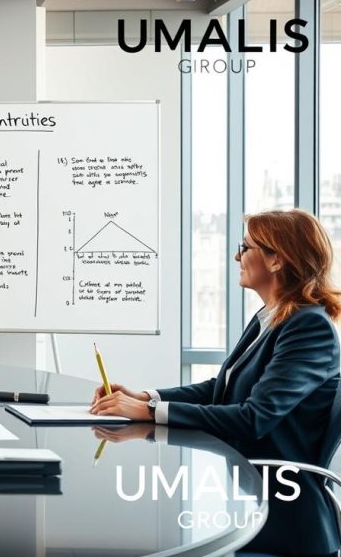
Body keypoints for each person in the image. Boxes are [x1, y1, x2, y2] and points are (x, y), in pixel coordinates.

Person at [90, 209, 341, 556]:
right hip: (252, 502)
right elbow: (220, 389)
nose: (237, 255)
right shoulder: (270, 318)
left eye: (246, 247)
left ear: (276, 260)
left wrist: (150, 412)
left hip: (285, 523)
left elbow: (254, 417)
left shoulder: (308, 328)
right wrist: (147, 396)